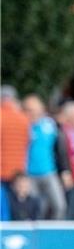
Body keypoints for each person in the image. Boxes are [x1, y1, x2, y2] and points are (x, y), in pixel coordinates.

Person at [22, 94, 67, 219]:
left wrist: (64, 170)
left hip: (49, 171)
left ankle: (54, 231)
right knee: (37, 208)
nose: (32, 113)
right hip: (29, 173)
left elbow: (60, 149)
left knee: (59, 205)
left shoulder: (50, 125)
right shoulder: (24, 126)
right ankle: (37, 236)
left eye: (34, 110)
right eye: (29, 110)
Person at [1, 86, 30, 216]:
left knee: (3, 205)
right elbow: (27, 142)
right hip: (17, 170)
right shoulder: (23, 119)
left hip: (2, 169)